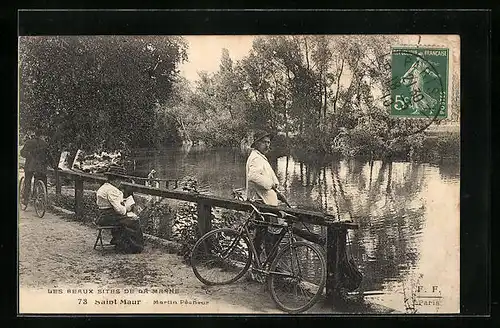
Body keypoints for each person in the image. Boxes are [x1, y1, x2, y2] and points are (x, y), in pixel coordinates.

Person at [245, 130, 284, 260]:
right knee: (269, 238)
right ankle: (270, 269)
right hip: (262, 205)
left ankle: (262, 267)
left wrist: (275, 189)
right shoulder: (256, 158)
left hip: (266, 203)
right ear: (256, 143)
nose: (267, 145)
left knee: (263, 238)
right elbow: (253, 176)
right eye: (264, 142)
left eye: (269, 142)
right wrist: (270, 184)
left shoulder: (260, 156)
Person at [95, 164, 144, 254]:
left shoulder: (104, 187)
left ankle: (120, 242)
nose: (120, 182)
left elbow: (111, 203)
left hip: (102, 216)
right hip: (109, 217)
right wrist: (127, 207)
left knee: (126, 220)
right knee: (133, 220)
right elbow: (120, 210)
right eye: (120, 180)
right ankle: (133, 247)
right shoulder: (112, 190)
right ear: (116, 179)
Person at [19, 131, 57, 206]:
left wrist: (28, 156)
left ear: (34, 134)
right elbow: (49, 156)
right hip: (40, 167)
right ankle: (41, 199)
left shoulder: (29, 142)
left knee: (27, 181)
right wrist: (54, 166)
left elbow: (22, 153)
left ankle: (25, 200)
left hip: (30, 166)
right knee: (41, 180)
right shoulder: (44, 144)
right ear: (41, 136)